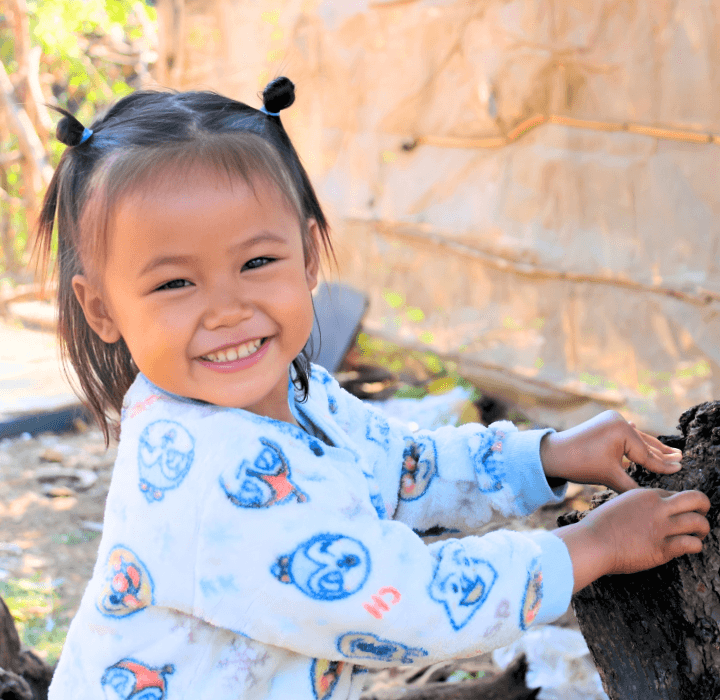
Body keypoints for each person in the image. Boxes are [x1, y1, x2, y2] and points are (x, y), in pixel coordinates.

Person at [36, 77, 710, 700]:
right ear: (102, 309)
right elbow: (408, 605)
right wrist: (588, 547)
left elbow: (402, 468)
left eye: (256, 262)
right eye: (175, 283)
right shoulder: (208, 477)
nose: (227, 309)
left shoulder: (298, 397)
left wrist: (543, 456)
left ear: (307, 255)